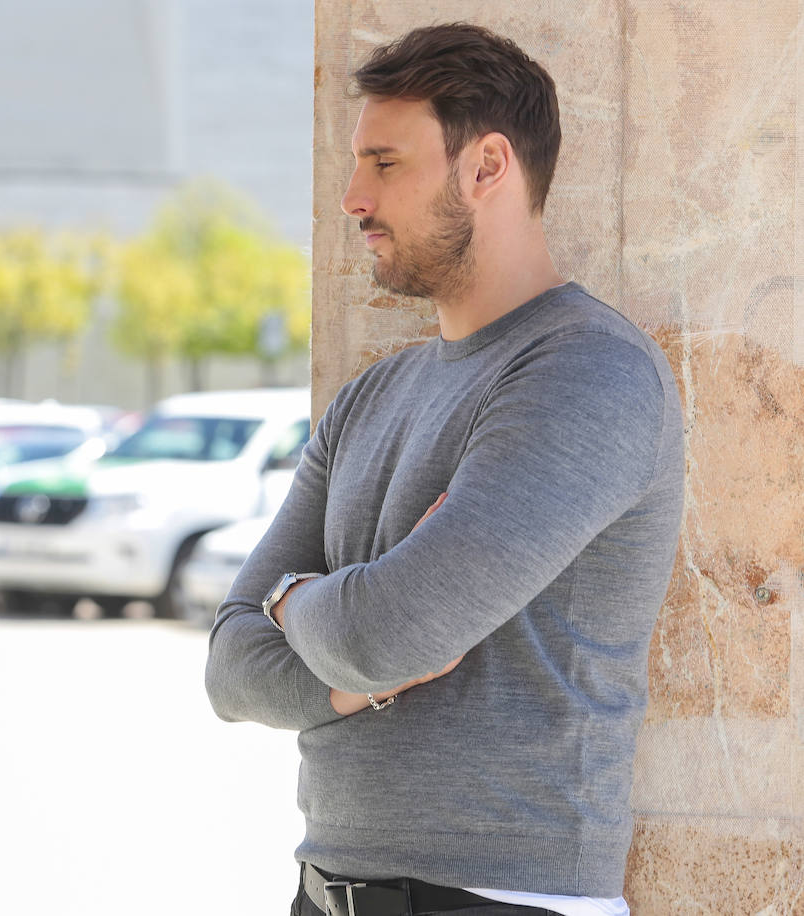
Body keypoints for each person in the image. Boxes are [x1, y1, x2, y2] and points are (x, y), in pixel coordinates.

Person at [205, 23, 683, 916]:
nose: (351, 197)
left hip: (502, 899)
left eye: (385, 163)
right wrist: (346, 641)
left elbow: (395, 634)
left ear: (488, 167)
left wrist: (289, 600)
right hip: (323, 890)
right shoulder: (369, 396)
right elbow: (230, 668)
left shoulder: (588, 371)